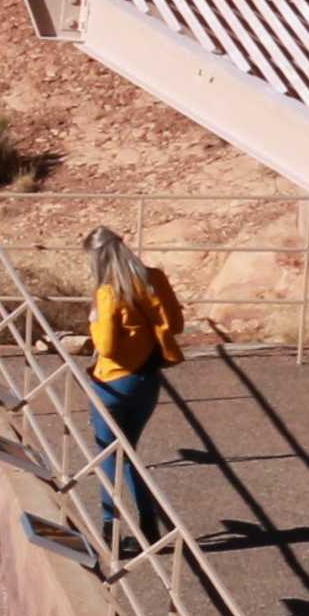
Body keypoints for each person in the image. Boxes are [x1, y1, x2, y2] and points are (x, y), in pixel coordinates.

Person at [81, 228, 186, 542]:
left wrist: (94, 320)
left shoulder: (108, 292)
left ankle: (110, 525)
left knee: (108, 454)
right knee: (129, 453)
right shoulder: (155, 278)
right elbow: (176, 324)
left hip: (111, 382)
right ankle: (148, 521)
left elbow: (108, 346)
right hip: (147, 380)